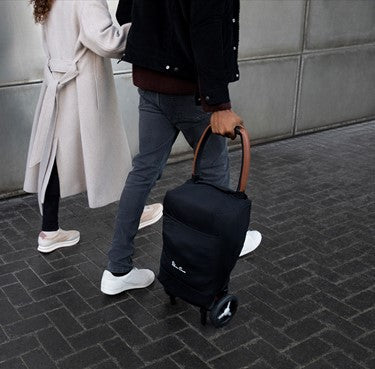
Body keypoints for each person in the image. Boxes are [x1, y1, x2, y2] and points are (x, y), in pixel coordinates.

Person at [100, 0, 262, 295]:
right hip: (190, 91)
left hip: (151, 86)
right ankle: (221, 253)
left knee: (143, 172)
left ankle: (117, 268)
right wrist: (219, 105)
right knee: (214, 171)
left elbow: (126, 14)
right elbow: (207, 27)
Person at [24, 0, 162, 253]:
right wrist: (142, 26)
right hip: (83, 87)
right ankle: (136, 213)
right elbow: (106, 41)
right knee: (107, 147)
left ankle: (50, 230)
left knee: (52, 155)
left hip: (58, 82)